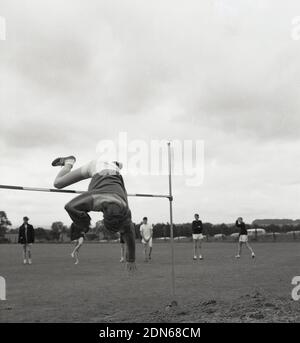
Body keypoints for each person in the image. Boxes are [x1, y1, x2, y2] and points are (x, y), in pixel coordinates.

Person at [51, 155, 136, 271]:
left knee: (114, 170)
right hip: (96, 166)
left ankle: (115, 164)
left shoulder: (125, 210)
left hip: (114, 172)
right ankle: (69, 162)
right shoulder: (95, 199)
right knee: (58, 183)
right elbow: (69, 207)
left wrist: (131, 259)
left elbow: (129, 232)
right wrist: (84, 225)